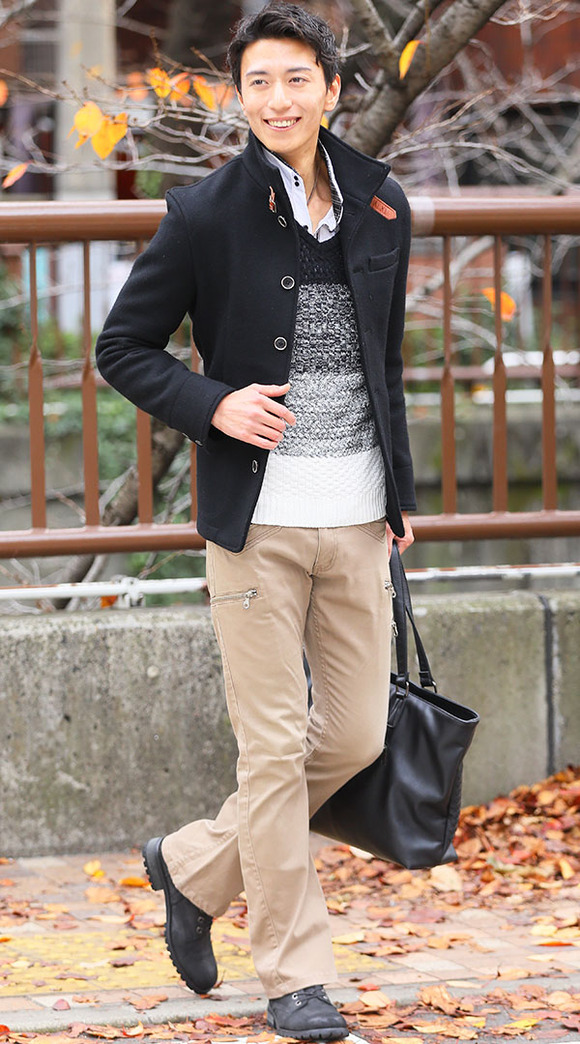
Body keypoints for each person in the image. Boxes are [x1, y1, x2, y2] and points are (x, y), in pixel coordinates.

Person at [96, 3, 415, 1039]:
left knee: (354, 735)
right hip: (257, 523)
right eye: (258, 83)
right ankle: (294, 978)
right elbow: (123, 348)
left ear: (331, 89)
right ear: (239, 97)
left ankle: (192, 868)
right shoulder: (203, 214)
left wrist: (399, 497)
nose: (277, 100)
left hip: (356, 514)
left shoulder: (381, 202)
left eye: (295, 79)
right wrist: (214, 403)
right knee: (273, 752)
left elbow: (384, 366)